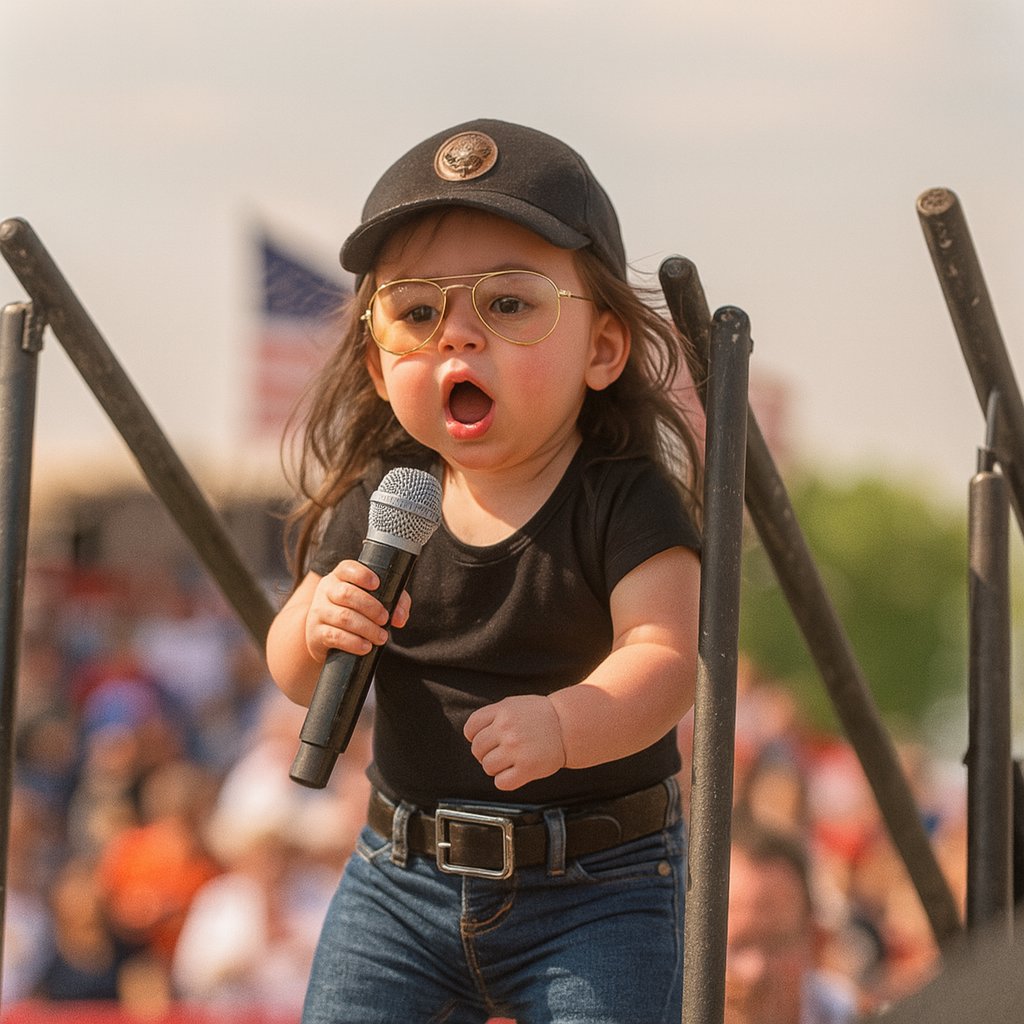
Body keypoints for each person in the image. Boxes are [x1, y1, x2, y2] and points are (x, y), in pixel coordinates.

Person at [266, 117, 703, 1024]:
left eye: (508, 304)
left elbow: (664, 660)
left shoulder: (623, 499)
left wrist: (567, 723)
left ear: (602, 348)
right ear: (380, 369)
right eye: (418, 314)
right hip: (399, 877)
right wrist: (316, 629)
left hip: (598, 885)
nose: (457, 340)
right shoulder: (384, 500)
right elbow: (293, 668)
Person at [725, 815, 858, 1024]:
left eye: (777, 943)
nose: (755, 972)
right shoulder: (663, 1010)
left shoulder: (849, 1016)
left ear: (814, 942)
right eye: (737, 945)